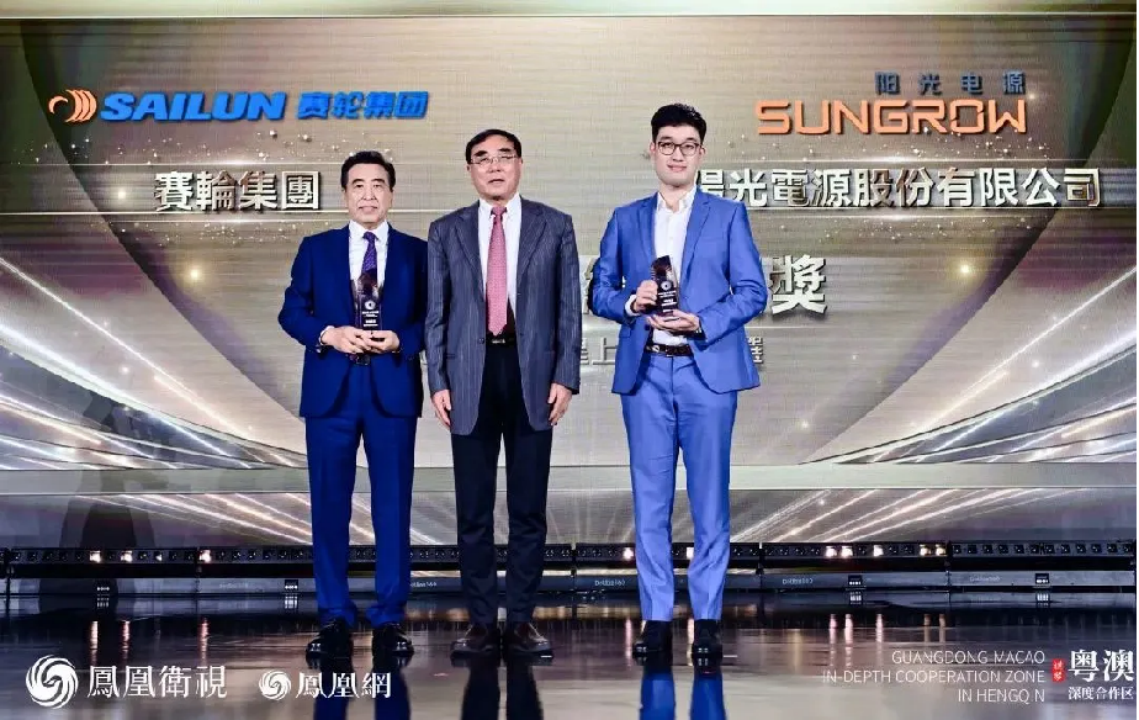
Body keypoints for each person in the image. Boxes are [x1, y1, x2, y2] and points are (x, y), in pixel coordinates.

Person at [589, 104, 767, 661]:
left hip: (705, 369)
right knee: (651, 502)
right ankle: (657, 620)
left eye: (688, 145)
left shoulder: (728, 215)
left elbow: (752, 291)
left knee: (710, 500)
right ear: (652, 150)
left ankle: (707, 620)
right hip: (646, 372)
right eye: (667, 144)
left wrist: (702, 321)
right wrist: (631, 301)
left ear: (701, 154)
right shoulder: (626, 218)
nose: (677, 154)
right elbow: (599, 292)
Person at [425, 129, 582, 658]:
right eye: (482, 159)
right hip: (468, 375)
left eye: (504, 157)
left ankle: (520, 621)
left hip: (532, 374)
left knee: (527, 508)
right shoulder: (445, 230)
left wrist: (565, 376)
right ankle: (479, 622)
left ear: (520, 164)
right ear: (470, 170)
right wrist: (438, 380)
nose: (494, 167)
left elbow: (568, 309)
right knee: (472, 509)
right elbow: (436, 314)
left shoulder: (554, 225)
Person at [278, 150, 427, 664]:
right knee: (328, 507)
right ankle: (334, 615)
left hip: (391, 389)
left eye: (378, 184)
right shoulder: (316, 248)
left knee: (393, 508)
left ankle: (389, 618)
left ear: (391, 193)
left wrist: (401, 339)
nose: (368, 194)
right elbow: (291, 311)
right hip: (331, 393)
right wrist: (329, 333)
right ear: (344, 194)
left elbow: (435, 317)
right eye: (358, 185)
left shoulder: (417, 252)